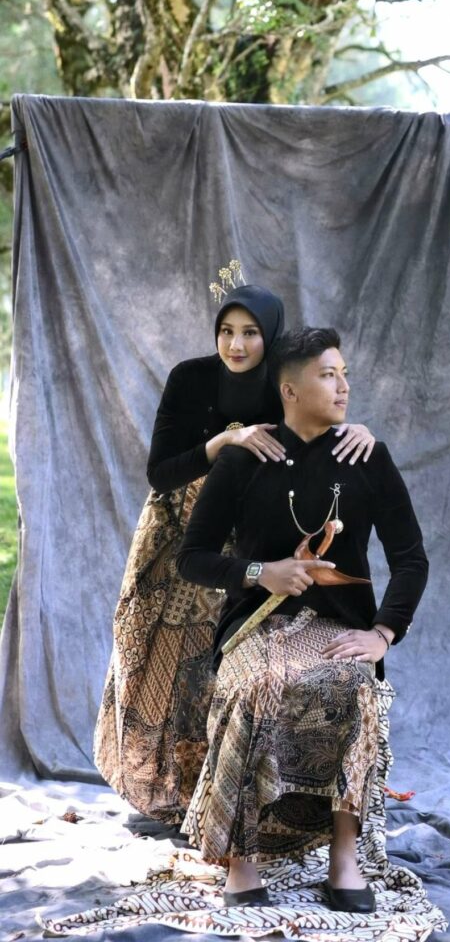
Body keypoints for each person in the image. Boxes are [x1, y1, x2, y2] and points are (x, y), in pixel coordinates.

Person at [94, 285, 375, 824]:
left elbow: (315, 437)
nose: (236, 344)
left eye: (250, 333)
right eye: (226, 331)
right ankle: (160, 794)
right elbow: (160, 472)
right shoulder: (189, 378)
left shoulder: (283, 383)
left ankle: (218, 800)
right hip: (173, 536)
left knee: (217, 665)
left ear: (270, 336)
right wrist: (224, 442)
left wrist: (353, 430)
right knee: (150, 661)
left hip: (244, 543)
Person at [176, 326, 428, 912]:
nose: (343, 387)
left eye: (344, 375)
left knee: (355, 686)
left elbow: (411, 558)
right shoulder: (246, 458)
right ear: (289, 390)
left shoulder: (366, 455)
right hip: (256, 626)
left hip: (341, 627)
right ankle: (242, 859)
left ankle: (345, 857)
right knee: (258, 687)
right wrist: (259, 571)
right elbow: (193, 556)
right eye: (328, 375)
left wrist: (383, 632)